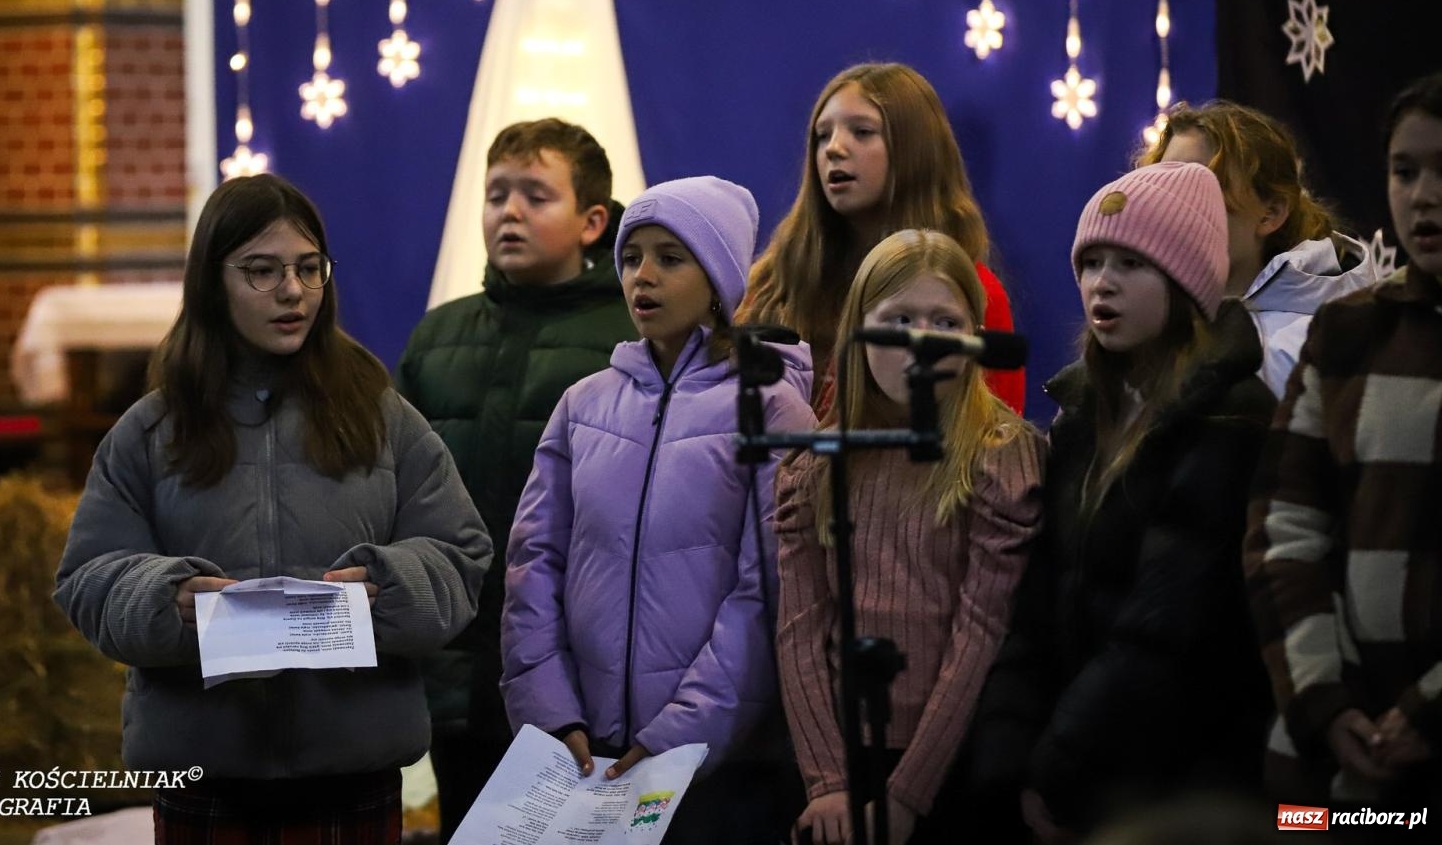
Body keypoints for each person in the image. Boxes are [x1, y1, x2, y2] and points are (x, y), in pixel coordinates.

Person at [55, 174, 491, 843]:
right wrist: (163, 598)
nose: (292, 290)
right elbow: (87, 576)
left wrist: (386, 586)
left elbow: (461, 557)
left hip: (353, 769)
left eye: (308, 268)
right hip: (206, 770)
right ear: (211, 280)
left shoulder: (379, 415)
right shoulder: (152, 429)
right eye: (261, 270)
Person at [501, 176, 815, 843]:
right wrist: (552, 712)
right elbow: (533, 564)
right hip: (587, 753)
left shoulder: (771, 407)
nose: (644, 275)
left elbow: (768, 593)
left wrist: (680, 732)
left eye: (671, 257)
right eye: (633, 256)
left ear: (720, 280)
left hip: (713, 764)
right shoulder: (583, 405)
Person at [991, 162, 1276, 840]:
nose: (1103, 282)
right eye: (1091, 261)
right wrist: (1006, 757)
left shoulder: (1231, 417)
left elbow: (1165, 628)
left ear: (1184, 283)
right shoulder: (1081, 416)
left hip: (1182, 783)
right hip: (1082, 770)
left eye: (1131, 263)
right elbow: (1031, 606)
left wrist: (1055, 765)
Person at [396, 118, 635, 837]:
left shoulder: (631, 338)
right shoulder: (439, 337)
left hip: (584, 671)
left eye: (537, 194)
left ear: (593, 220)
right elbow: (395, 489)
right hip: (459, 671)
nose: (510, 210)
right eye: (497, 193)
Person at [776, 229, 1044, 845]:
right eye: (897, 319)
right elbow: (800, 630)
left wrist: (907, 794)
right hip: (842, 760)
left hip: (954, 765)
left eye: (945, 322)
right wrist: (827, 783)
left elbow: (979, 633)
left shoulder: (1000, 458)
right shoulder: (813, 468)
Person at [1244, 71, 1442, 810]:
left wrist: (1426, 712)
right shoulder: (1350, 330)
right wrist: (1324, 701)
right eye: (1404, 170)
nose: (1424, 194)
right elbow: (1283, 527)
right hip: (1329, 763)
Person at [739, 62, 1024, 417]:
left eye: (861, 131)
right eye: (822, 135)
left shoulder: (974, 293)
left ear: (915, 150)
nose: (834, 149)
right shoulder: (774, 282)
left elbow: (996, 446)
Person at [1140, 100, 1380, 397]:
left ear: (1271, 213)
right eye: (1162, 187)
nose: (1171, 206)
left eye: (1199, 186)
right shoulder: (1138, 329)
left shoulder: (1321, 348)